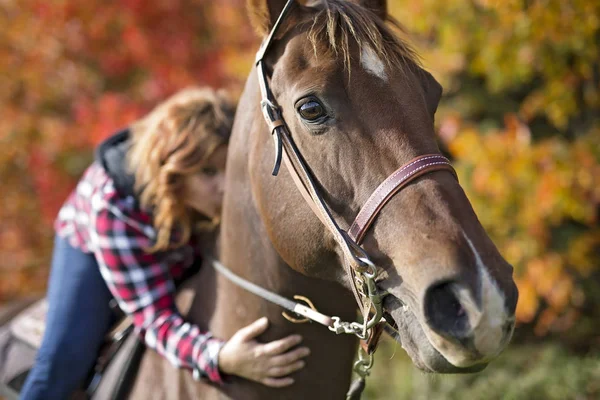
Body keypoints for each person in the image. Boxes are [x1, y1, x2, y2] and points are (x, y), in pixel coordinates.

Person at [20, 87, 310, 400]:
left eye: (230, 167)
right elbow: (155, 318)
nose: (226, 187)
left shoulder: (213, 192)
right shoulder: (115, 210)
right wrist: (220, 358)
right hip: (99, 240)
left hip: (181, 224)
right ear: (174, 173)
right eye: (208, 172)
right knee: (64, 357)